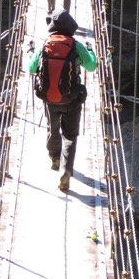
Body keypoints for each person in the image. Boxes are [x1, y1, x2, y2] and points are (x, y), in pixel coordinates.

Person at [27, 10, 97, 191]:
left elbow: (31, 68)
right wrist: (91, 51)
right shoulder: (76, 45)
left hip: (50, 99)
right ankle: (66, 170)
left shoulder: (45, 44)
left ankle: (54, 158)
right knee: (70, 135)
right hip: (72, 98)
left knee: (53, 128)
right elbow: (91, 66)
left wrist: (30, 52)